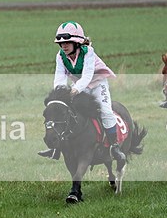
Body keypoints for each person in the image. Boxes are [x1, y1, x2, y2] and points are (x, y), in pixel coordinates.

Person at [38, 21, 126, 164]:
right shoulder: (60, 56)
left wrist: (74, 90)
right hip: (79, 86)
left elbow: (87, 76)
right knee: (65, 112)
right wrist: (60, 94)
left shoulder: (88, 52)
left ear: (77, 42)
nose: (63, 45)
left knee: (105, 111)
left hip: (97, 84)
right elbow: (59, 78)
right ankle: (56, 148)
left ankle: (115, 147)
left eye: (67, 42)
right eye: (61, 43)